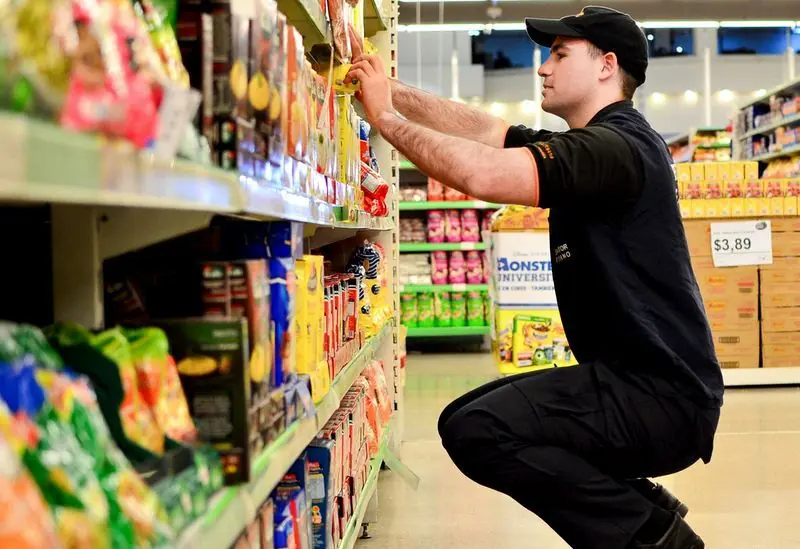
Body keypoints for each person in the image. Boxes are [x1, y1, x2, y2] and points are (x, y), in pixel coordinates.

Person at [346, 6, 722, 549]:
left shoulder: (615, 148)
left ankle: (653, 539)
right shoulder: (601, 142)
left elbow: (481, 172)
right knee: (463, 416)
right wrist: (391, 90)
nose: (543, 68)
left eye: (560, 53)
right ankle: (648, 510)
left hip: (660, 396)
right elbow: (485, 130)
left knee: (481, 430)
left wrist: (386, 121)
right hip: (636, 382)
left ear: (605, 65)